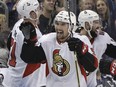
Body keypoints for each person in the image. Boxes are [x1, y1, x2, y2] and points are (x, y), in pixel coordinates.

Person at [20, 10, 98, 87]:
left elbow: (93, 66)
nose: (58, 27)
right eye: (57, 23)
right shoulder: (47, 41)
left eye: (63, 24)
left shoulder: (81, 40)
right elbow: (28, 58)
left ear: (71, 26)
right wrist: (29, 40)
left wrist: (81, 51)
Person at [2, 0, 46, 87]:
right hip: (23, 80)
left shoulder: (18, 24)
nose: (41, 10)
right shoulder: (33, 33)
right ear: (33, 14)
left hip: (12, 75)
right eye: (38, 8)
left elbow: (9, 44)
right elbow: (33, 57)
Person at [77, 9, 116, 87]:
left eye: (98, 22)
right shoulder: (74, 40)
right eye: (95, 22)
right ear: (86, 24)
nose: (99, 26)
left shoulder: (102, 38)